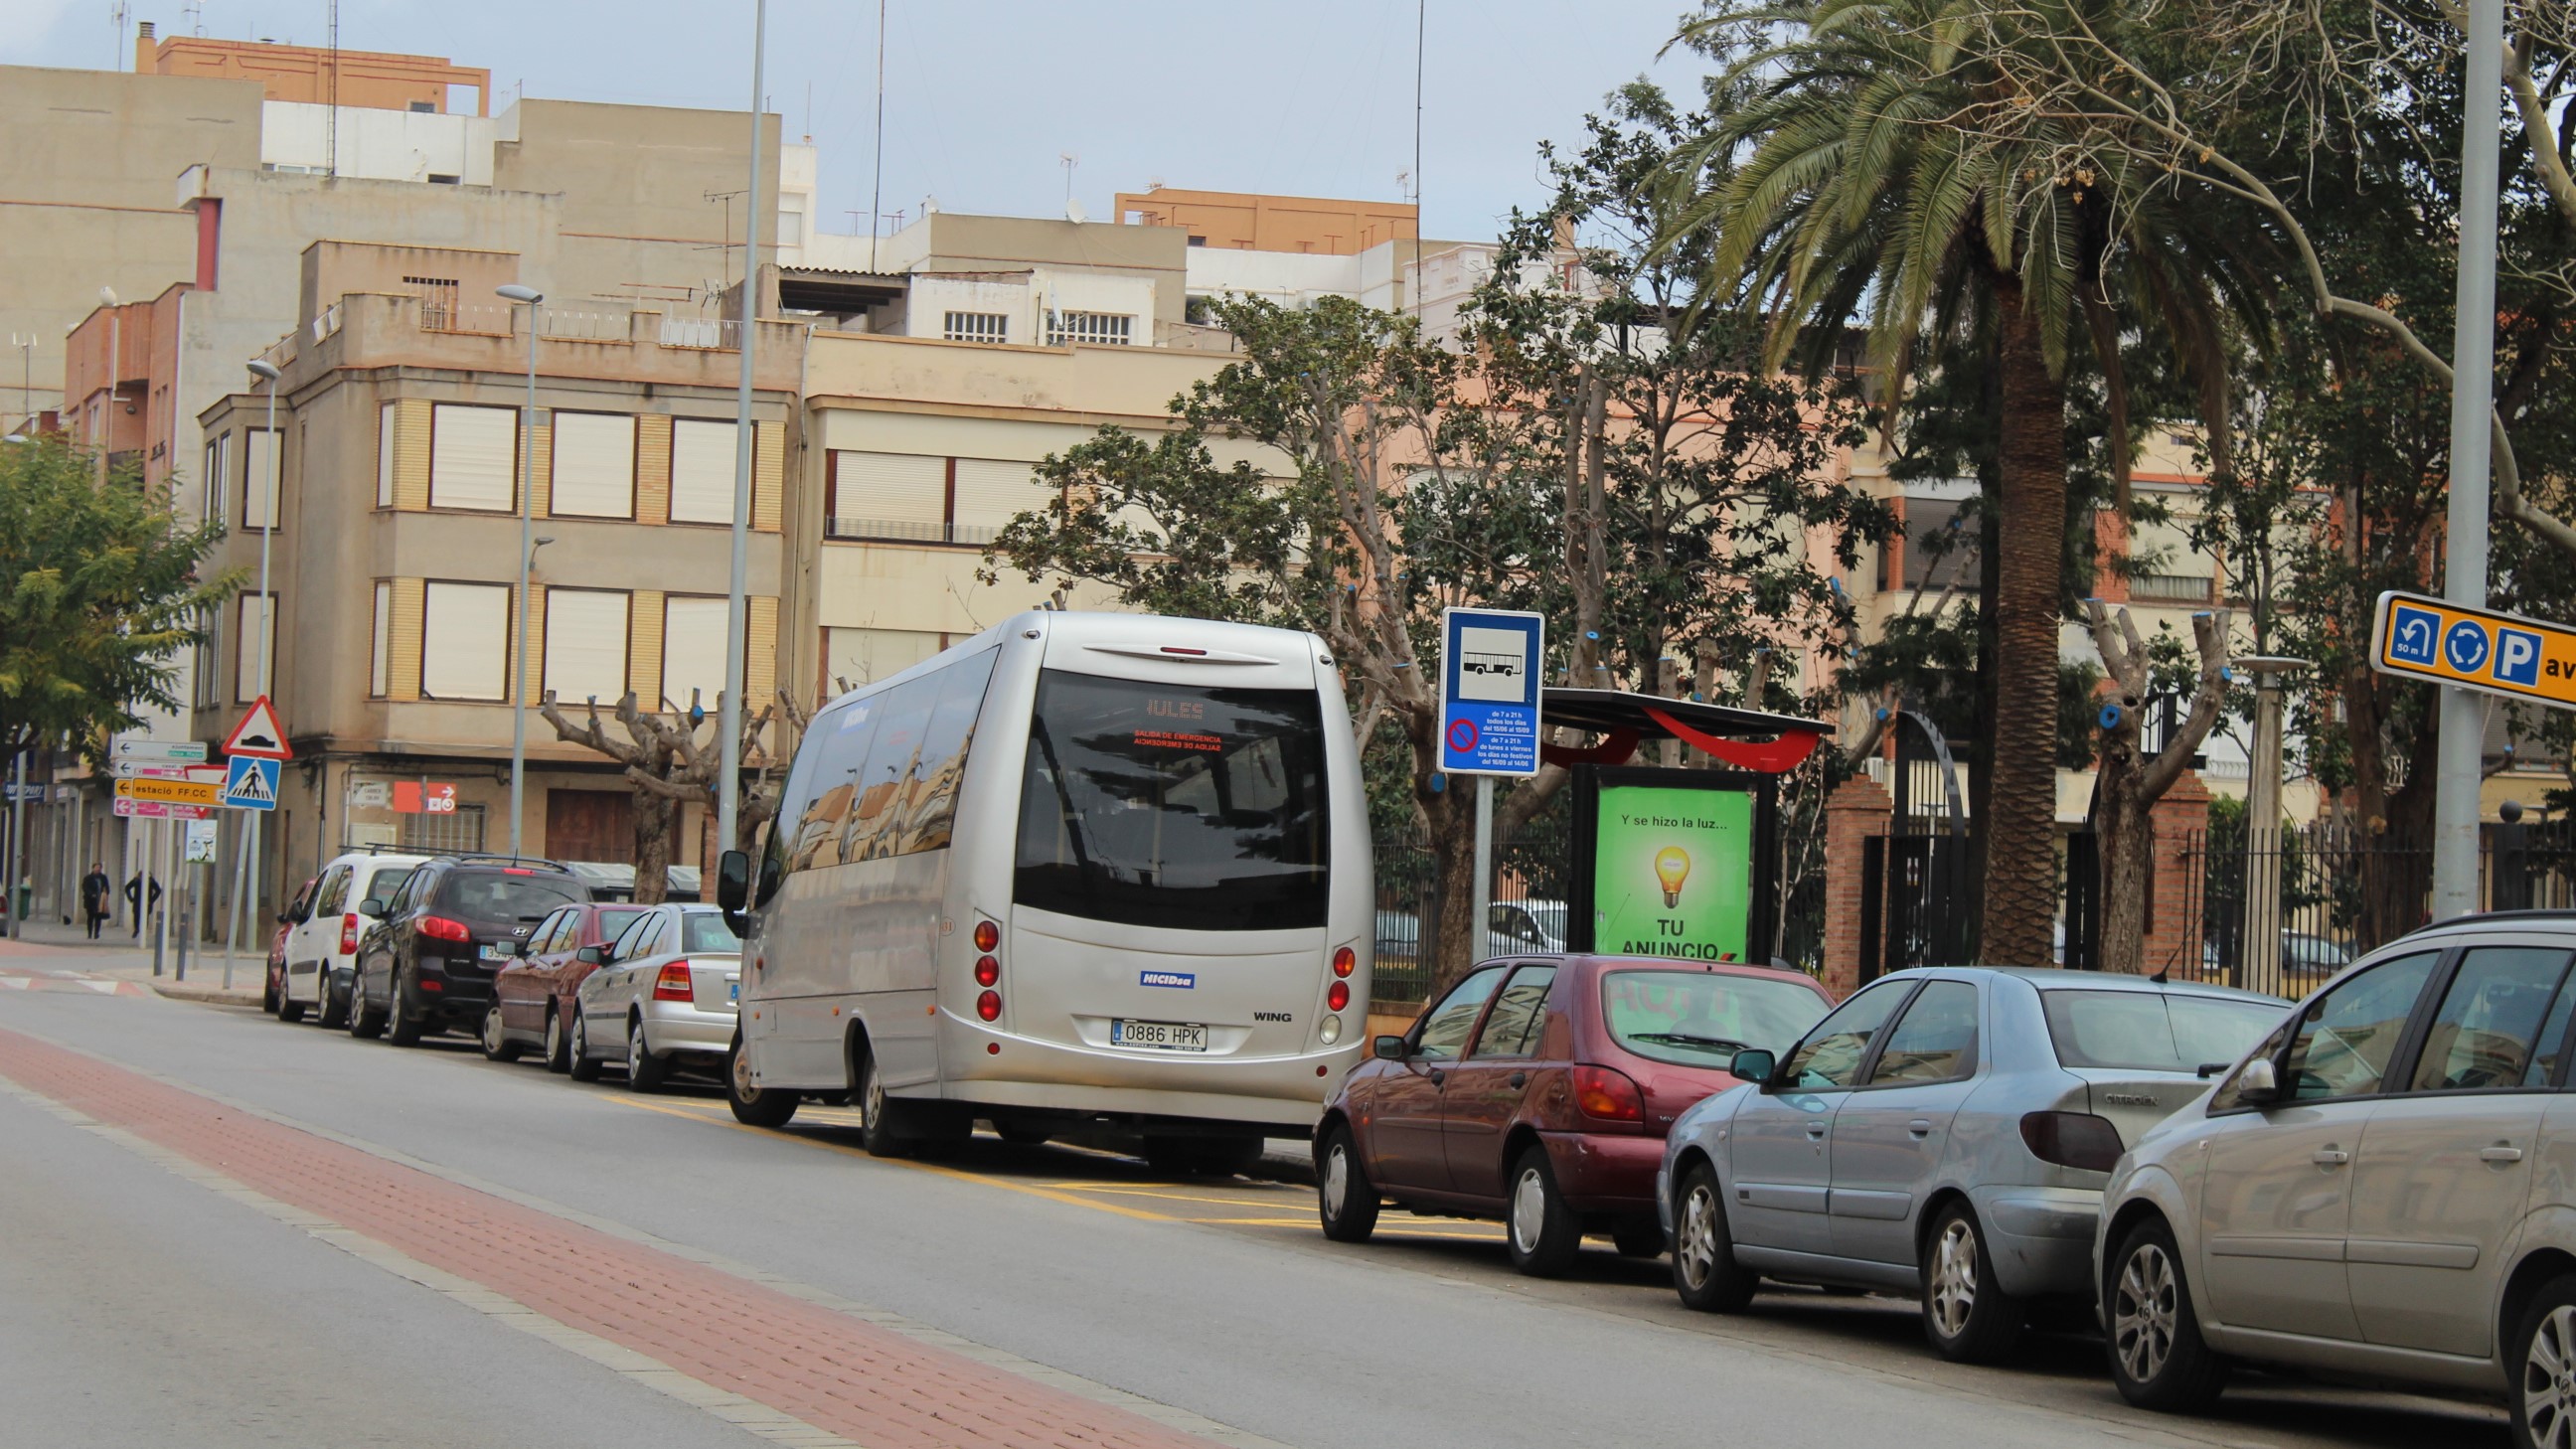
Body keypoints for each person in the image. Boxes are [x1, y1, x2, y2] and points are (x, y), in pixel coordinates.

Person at [124, 871, 161, 939]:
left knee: (145, 916)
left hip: (147, 902)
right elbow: (127, 888)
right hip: (138, 902)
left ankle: (143, 931)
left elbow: (158, 890)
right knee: (137, 916)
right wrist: (131, 898)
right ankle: (137, 929)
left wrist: (151, 900)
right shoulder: (136, 881)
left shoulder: (151, 881)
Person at [80, 863, 110, 939]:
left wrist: (106, 893)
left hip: (100, 901)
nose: (98, 869)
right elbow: (84, 887)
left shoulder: (103, 877)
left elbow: (107, 887)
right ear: (93, 868)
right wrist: (91, 894)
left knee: (98, 918)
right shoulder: (88, 878)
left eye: (99, 867)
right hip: (90, 901)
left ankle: (96, 933)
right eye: (96, 867)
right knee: (90, 917)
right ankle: (89, 933)